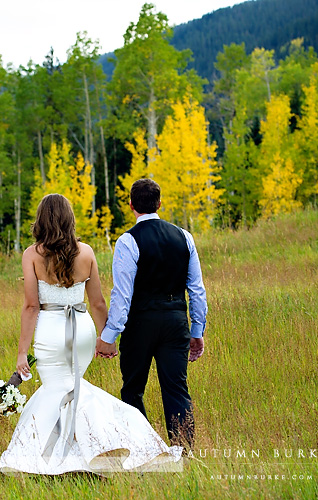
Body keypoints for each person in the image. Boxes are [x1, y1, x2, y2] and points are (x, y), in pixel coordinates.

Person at [0, 193, 182, 475]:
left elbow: (31, 306)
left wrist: (22, 351)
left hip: (51, 330)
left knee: (56, 390)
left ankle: (51, 459)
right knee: (73, 388)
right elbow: (97, 302)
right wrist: (107, 338)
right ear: (69, 219)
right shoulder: (86, 252)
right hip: (82, 329)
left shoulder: (31, 255)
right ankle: (84, 452)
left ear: (41, 220)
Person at [96, 178, 207, 449]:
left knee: (132, 389)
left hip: (140, 323)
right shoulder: (184, 236)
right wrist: (197, 331)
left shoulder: (127, 241)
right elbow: (197, 289)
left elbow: (122, 296)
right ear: (159, 203)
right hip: (175, 321)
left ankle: (143, 451)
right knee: (176, 389)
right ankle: (184, 452)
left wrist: (109, 335)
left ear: (131, 205)